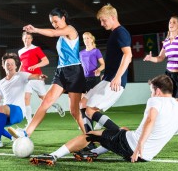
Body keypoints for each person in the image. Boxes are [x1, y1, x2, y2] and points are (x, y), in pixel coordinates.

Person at [29, 75, 178, 165]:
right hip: (146, 156)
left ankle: (53, 156)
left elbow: (151, 120)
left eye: (152, 90)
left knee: (90, 135)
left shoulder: (155, 100)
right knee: (121, 129)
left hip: (133, 148)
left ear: (158, 90)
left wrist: (139, 146)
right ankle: (94, 153)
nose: (151, 93)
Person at [8, 8, 86, 137]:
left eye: (56, 21)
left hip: (74, 72)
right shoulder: (61, 36)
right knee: (46, 102)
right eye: (52, 23)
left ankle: (90, 138)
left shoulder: (70, 30)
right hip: (61, 71)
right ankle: (26, 133)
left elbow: (52, 33)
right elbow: (54, 33)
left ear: (63, 18)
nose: (54, 25)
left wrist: (36, 30)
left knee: (74, 111)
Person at [78, 4, 132, 136]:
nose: (102, 24)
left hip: (115, 81)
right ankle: (90, 142)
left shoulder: (121, 32)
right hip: (108, 78)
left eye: (104, 20)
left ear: (113, 17)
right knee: (83, 103)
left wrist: (117, 77)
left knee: (90, 111)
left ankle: (120, 135)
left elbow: (128, 55)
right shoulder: (115, 33)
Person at [0, 53, 44, 149]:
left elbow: (32, 76)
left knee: (1, 107)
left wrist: (39, 77)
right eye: (7, 64)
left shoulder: (21, 76)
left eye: (11, 64)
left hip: (18, 112)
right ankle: (13, 138)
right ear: (3, 66)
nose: (9, 66)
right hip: (5, 113)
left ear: (16, 66)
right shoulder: (0, 83)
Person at [18, 31, 64, 125]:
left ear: (32, 39)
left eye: (29, 38)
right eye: (25, 38)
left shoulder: (36, 49)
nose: (27, 40)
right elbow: (22, 64)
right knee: (26, 98)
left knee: (43, 98)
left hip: (37, 77)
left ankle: (55, 105)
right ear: (23, 39)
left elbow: (46, 61)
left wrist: (35, 66)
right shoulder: (20, 51)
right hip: (26, 78)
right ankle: (30, 122)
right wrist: (18, 74)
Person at [79, 32, 105, 131]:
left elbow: (103, 64)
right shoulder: (81, 53)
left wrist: (99, 69)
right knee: (82, 103)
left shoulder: (96, 51)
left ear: (92, 39)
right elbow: (81, 66)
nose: (86, 40)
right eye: (84, 38)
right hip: (84, 79)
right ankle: (86, 122)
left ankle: (99, 121)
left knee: (93, 102)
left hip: (94, 78)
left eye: (88, 38)